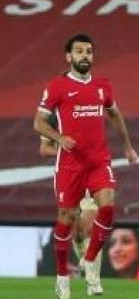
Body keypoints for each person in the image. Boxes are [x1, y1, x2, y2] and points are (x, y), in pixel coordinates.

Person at [33, 34, 138, 299]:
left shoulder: (103, 86)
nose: (85, 56)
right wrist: (59, 138)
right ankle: (61, 277)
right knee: (66, 219)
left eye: (89, 52)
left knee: (108, 206)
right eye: (79, 51)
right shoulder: (57, 86)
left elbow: (115, 114)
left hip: (98, 161)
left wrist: (127, 147)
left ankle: (90, 263)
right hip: (70, 165)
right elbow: (39, 123)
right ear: (68, 57)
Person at [39, 117, 102, 280]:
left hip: (91, 175)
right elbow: (44, 149)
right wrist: (65, 150)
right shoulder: (52, 120)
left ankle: (92, 273)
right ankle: (85, 260)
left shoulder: (87, 112)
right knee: (77, 232)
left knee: (88, 227)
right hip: (68, 177)